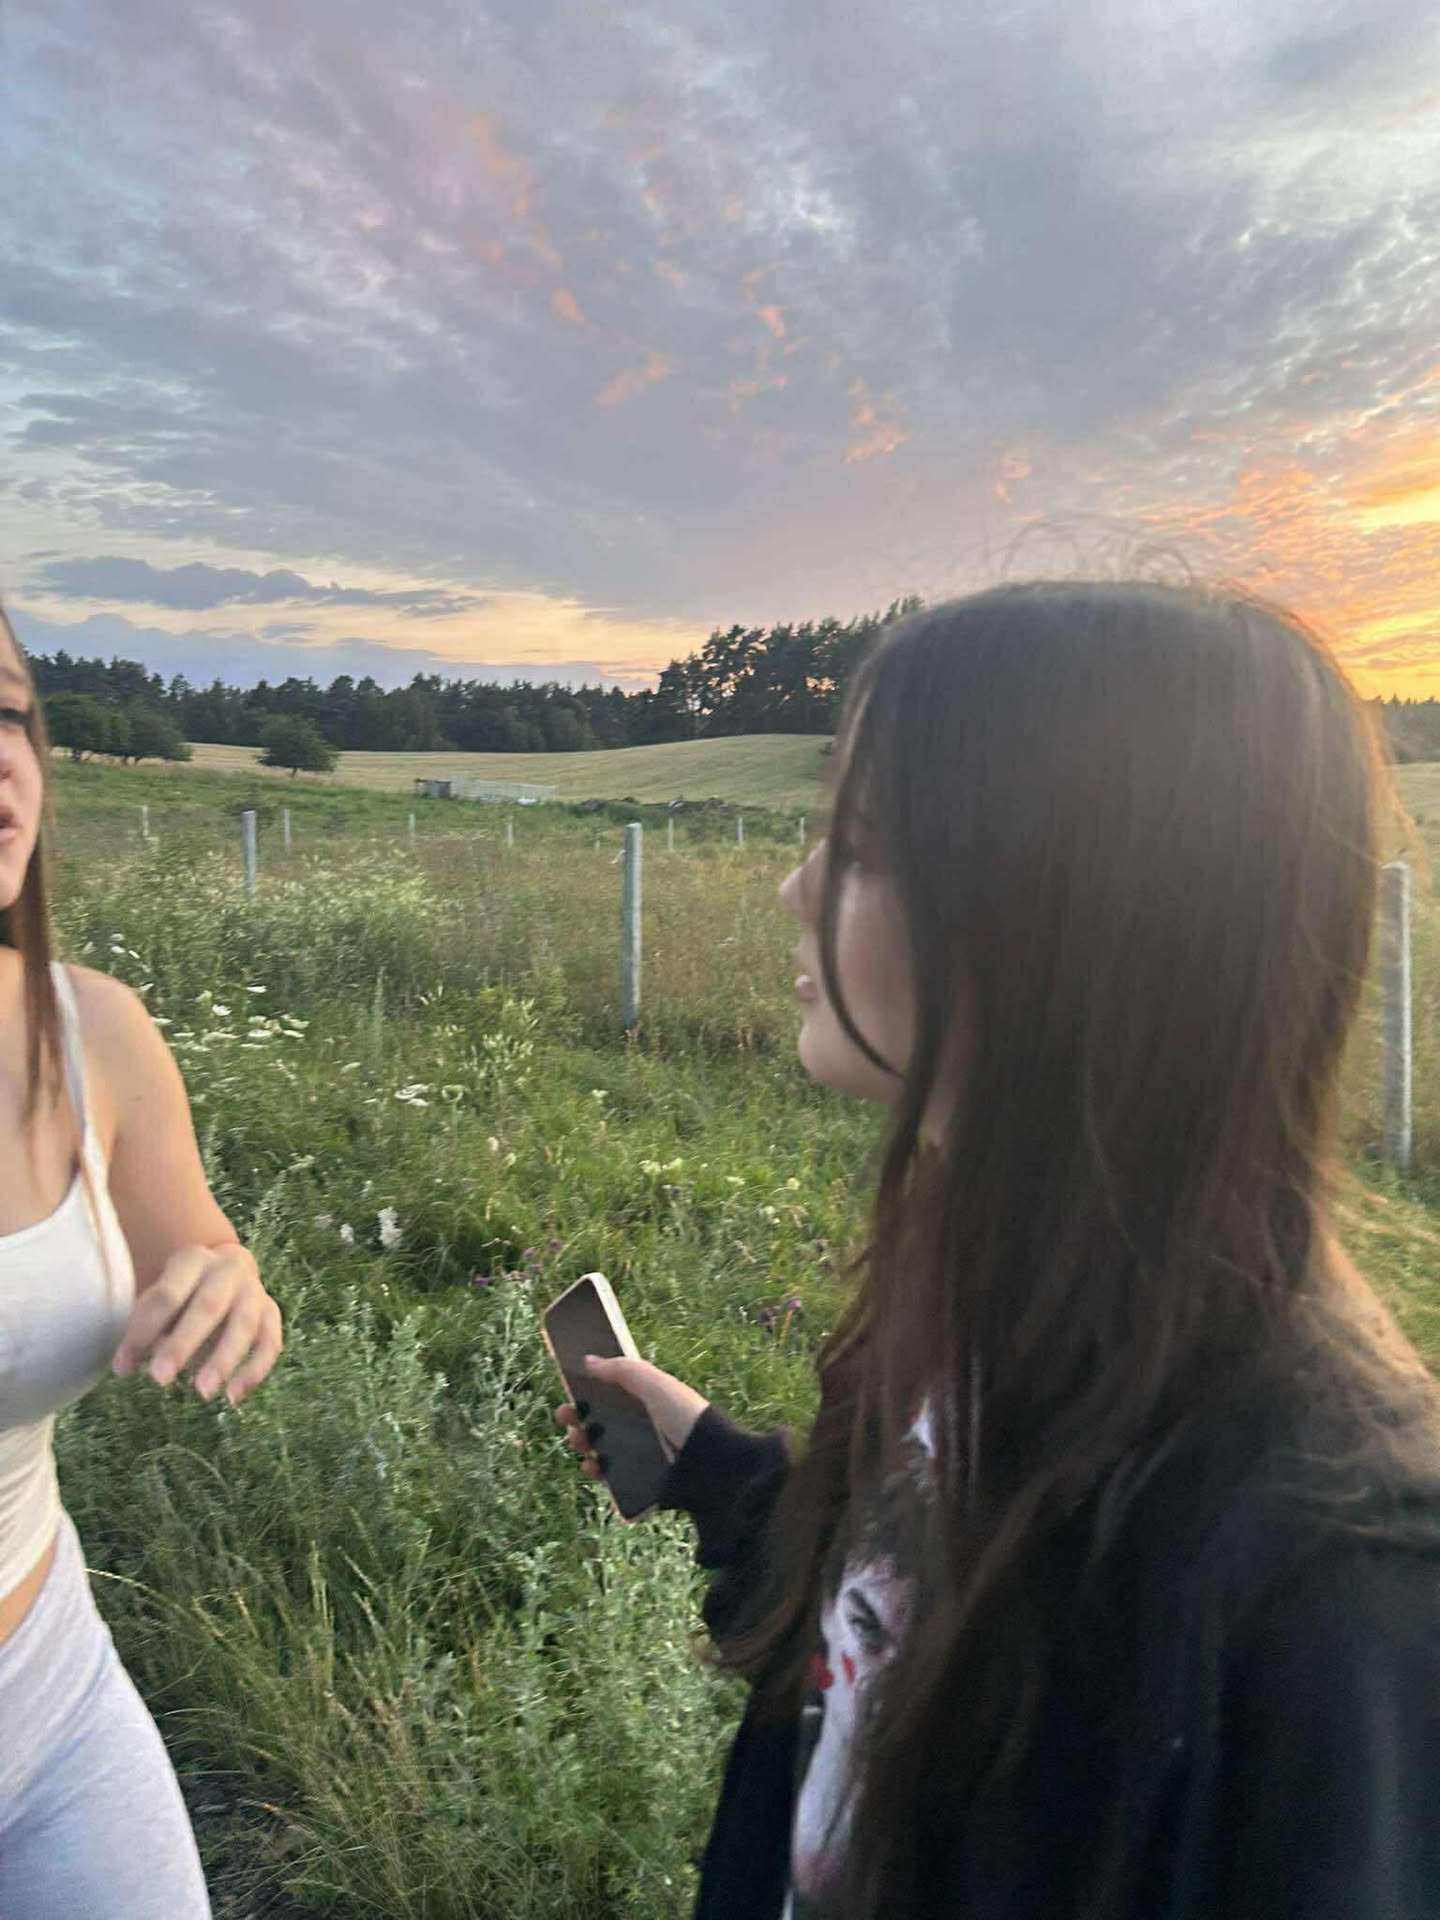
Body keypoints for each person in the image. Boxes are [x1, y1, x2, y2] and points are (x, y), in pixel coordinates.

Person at [558, 582, 1440, 1920]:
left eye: (864, 848)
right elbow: (913, 1602)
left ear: (1075, 917)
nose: (794, 887)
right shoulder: (995, 1304)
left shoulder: (1336, 1580)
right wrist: (719, 1474)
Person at [0, 604, 283, 1918]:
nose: (1, 757)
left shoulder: (92, 1032)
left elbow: (207, 1250)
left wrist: (232, 1289)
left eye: (10, 714)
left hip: (48, 1688)